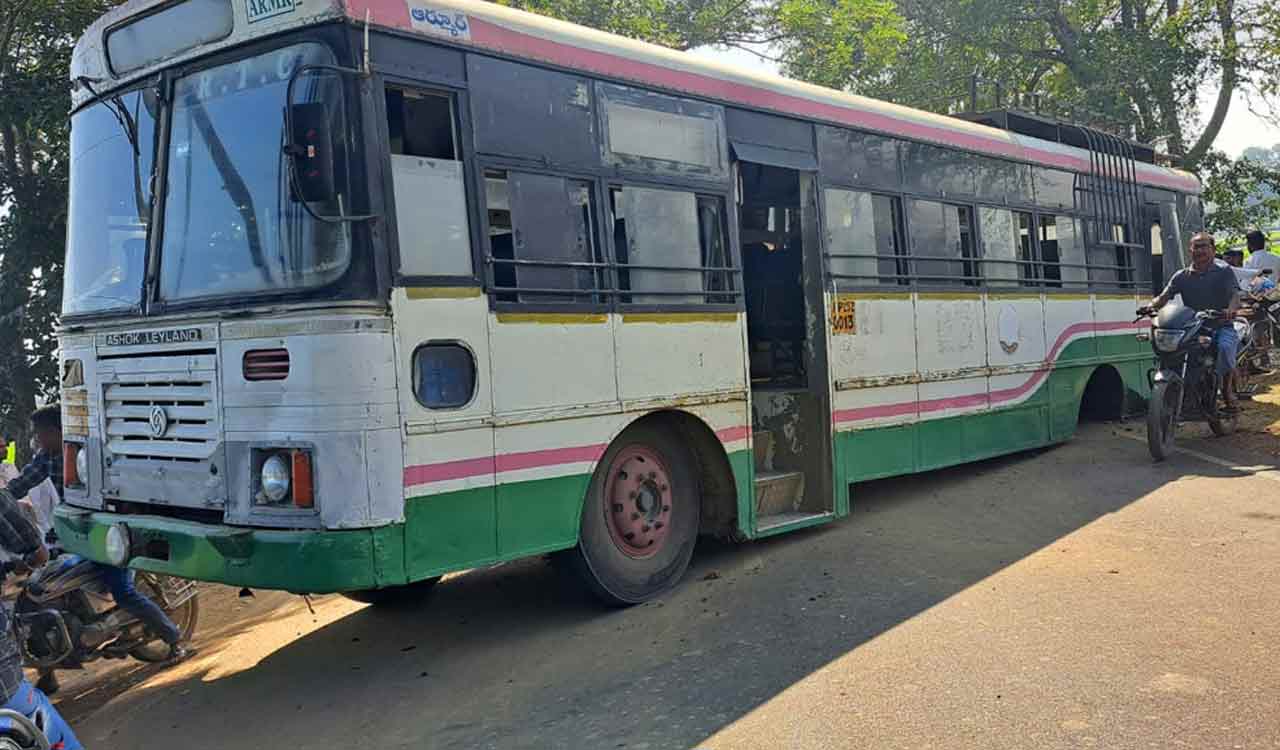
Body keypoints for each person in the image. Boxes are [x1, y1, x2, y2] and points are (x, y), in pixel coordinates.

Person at [5, 406, 191, 692]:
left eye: (41, 435)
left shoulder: (89, 452)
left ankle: (174, 638)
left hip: (108, 529)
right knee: (42, 596)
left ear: (57, 432)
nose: (38, 441)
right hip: (74, 531)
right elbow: (17, 489)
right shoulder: (46, 458)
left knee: (124, 592)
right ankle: (49, 670)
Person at [1141, 232, 1242, 413]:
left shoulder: (1223, 271)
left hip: (1220, 325)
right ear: (1190, 250)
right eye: (1196, 246)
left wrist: (1231, 309)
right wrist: (1150, 306)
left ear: (1213, 249)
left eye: (1204, 246)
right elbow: (1164, 297)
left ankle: (1226, 392)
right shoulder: (1182, 275)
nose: (1200, 250)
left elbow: (1235, 295)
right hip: (1193, 327)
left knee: (1225, 348)